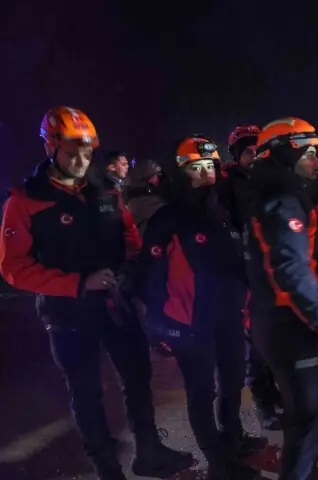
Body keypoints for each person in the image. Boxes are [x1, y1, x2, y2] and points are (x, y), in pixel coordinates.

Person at [0, 106, 193, 480]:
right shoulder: (25, 200)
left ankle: (149, 452)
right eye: (72, 153)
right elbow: (12, 268)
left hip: (115, 305)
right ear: (50, 148)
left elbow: (129, 237)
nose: (80, 160)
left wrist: (130, 268)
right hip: (68, 315)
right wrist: (75, 284)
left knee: (138, 378)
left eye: (87, 153)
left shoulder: (105, 189)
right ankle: (108, 470)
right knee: (87, 393)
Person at [135, 135, 260, 480]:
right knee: (202, 390)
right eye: (197, 168)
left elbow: (235, 264)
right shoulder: (169, 218)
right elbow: (148, 277)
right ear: (181, 173)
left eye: (211, 167)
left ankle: (233, 437)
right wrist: (163, 325)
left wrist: (246, 301)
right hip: (191, 324)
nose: (206, 174)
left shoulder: (218, 212)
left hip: (228, 317)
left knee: (234, 379)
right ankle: (218, 461)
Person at [243, 117, 318, 480]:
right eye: (310, 155)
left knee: (307, 420)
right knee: (308, 423)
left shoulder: (283, 194)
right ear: (285, 155)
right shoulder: (282, 202)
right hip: (294, 327)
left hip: (286, 324)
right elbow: (291, 270)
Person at [222, 124, 284, 430]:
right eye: (248, 150)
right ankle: (264, 401)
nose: (255, 155)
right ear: (236, 154)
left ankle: (278, 394)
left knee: (275, 337)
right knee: (254, 343)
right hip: (246, 273)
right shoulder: (226, 184)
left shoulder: (268, 178)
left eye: (258, 149)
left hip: (272, 269)